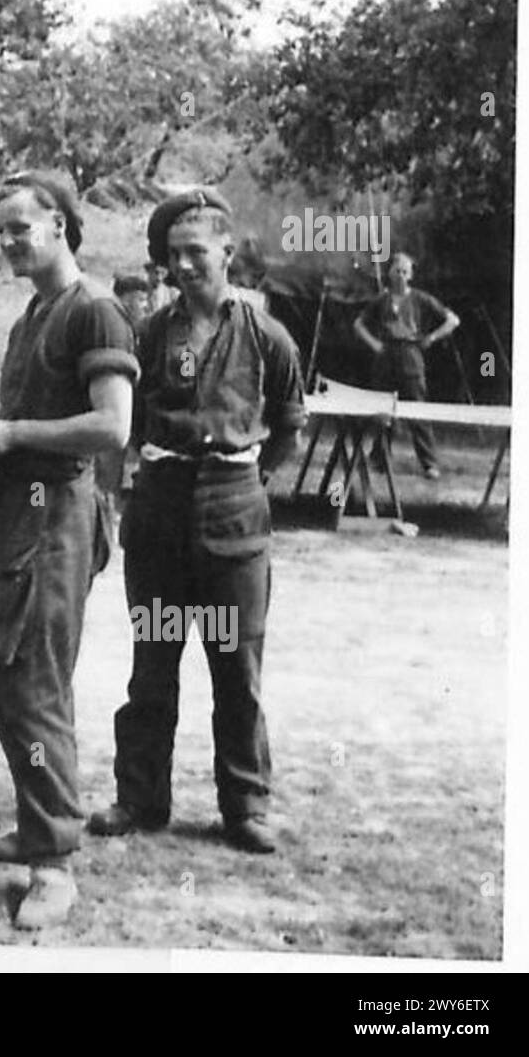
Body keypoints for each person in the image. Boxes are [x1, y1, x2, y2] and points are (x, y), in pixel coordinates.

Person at [0, 170, 136, 930]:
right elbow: (25, 416)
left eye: (21, 226)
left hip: (56, 512)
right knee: (7, 676)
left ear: (60, 223)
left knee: (35, 687)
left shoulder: (95, 312)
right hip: (16, 512)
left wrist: (13, 436)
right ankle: (35, 827)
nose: (9, 241)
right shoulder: (36, 313)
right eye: (2, 230)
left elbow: (113, 427)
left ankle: (53, 865)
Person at [90, 187, 304, 855]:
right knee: (152, 663)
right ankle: (140, 796)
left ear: (227, 254)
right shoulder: (150, 332)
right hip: (159, 511)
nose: (182, 266)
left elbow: (291, 426)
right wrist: (128, 488)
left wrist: (245, 476)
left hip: (236, 514)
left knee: (236, 667)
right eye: (172, 256)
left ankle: (245, 804)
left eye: (196, 252)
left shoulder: (267, 335)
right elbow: (126, 425)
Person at [353, 252, 459, 480]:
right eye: (396, 271)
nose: (400, 276)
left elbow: (452, 320)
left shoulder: (421, 299)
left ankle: (429, 463)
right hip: (385, 356)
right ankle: (379, 459)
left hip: (411, 355)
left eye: (405, 271)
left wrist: (431, 338)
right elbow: (359, 324)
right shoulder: (381, 300)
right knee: (382, 410)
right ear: (390, 273)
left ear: (410, 275)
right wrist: (374, 344)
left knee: (417, 410)